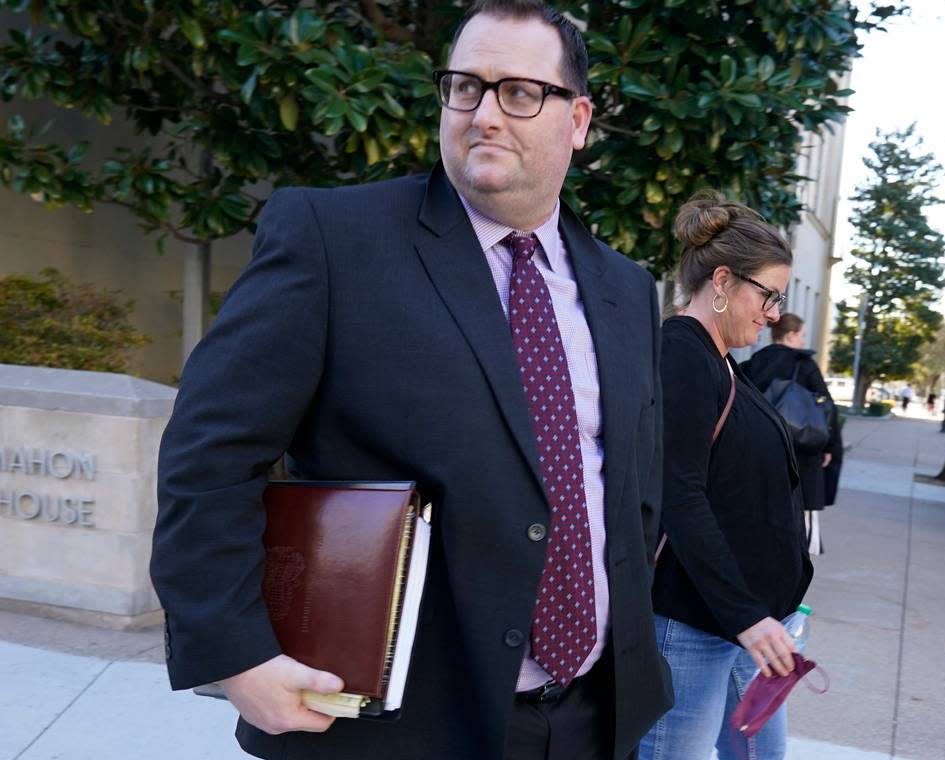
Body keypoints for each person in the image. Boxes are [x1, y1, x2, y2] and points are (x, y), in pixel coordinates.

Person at [150, 3, 672, 759]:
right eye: (465, 87)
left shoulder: (625, 287)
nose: (486, 114)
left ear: (579, 119)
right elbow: (207, 455)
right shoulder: (332, 239)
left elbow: (632, 485)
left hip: (591, 718)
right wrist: (236, 652)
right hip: (393, 724)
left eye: (519, 93)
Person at [639, 191, 813, 760]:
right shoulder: (683, 356)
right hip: (700, 627)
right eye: (768, 296)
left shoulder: (720, 360)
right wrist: (748, 616)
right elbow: (679, 495)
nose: (772, 313)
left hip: (749, 629)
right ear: (722, 281)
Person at [741, 313, 843, 556]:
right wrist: (830, 447)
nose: (803, 340)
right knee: (798, 533)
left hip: (759, 455)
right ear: (791, 335)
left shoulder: (753, 363)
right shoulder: (804, 365)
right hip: (802, 456)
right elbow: (826, 408)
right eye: (802, 335)